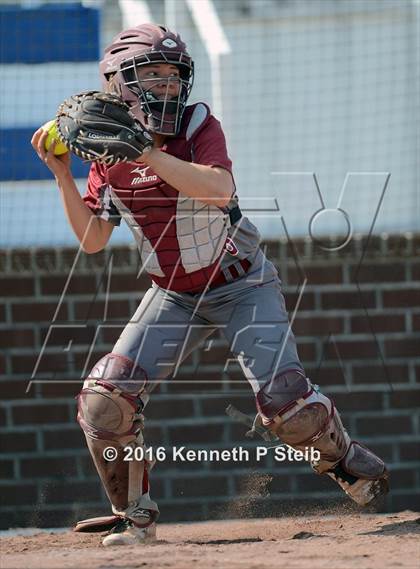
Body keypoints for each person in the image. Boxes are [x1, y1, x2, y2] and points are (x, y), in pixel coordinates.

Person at [32, 23, 388, 546]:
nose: (167, 87)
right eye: (150, 75)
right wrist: (62, 173)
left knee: (290, 409)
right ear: (118, 85)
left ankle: (347, 463)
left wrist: (146, 153)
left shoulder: (199, 124)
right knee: (104, 399)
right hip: (173, 294)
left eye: (174, 76)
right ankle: (134, 516)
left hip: (242, 283)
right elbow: (92, 239)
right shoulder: (106, 155)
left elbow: (219, 189)